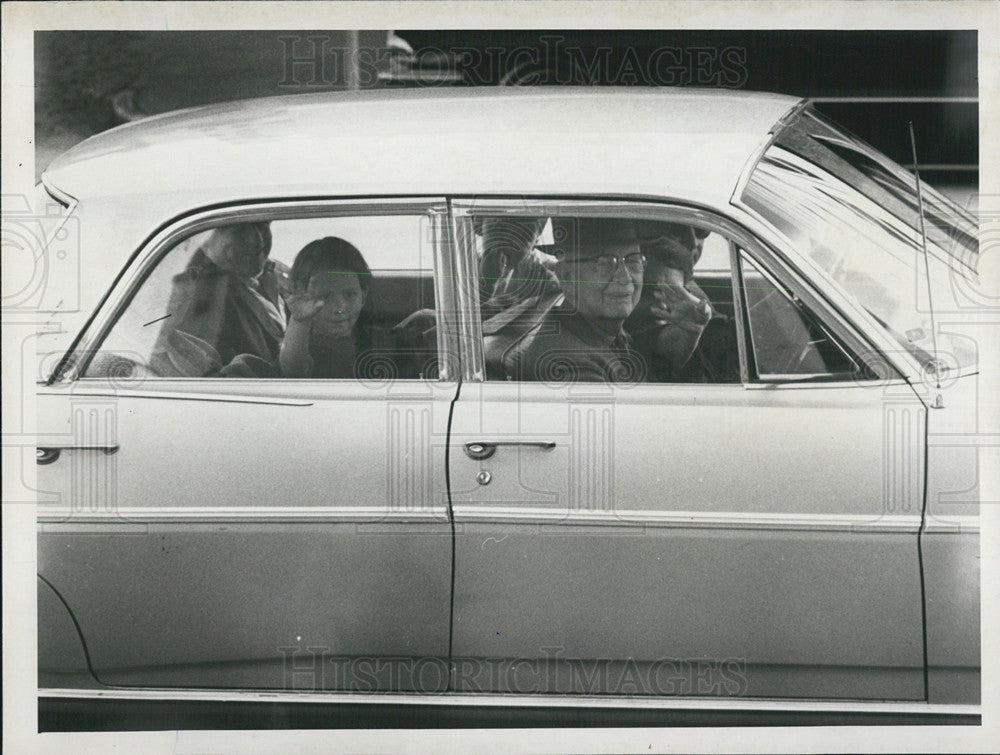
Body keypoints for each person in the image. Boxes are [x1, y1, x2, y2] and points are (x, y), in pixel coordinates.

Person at [517, 217, 648, 383]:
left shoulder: (602, 330)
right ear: (567, 277)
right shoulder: (567, 363)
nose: (624, 277)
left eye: (633, 260)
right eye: (604, 263)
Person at [279, 236, 428, 379]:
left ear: (363, 295)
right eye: (325, 296)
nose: (340, 308)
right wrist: (299, 321)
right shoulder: (299, 347)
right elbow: (293, 370)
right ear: (301, 297)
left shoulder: (386, 344)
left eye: (350, 295)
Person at [152, 221, 288, 375]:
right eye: (240, 229)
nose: (257, 239)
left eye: (262, 226)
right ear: (203, 236)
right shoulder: (198, 294)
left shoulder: (275, 274)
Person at [626, 223, 713, 380]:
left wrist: (693, 331)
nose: (666, 306)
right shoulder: (620, 337)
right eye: (655, 292)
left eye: (675, 296)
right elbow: (661, 350)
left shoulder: (695, 309)